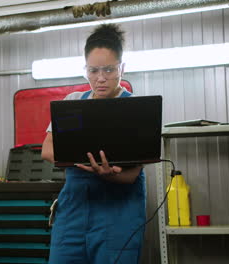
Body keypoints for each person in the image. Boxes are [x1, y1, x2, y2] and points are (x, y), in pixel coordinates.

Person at [41, 24, 146, 264]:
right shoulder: (73, 103)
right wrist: (87, 159)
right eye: (93, 70)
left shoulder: (136, 110)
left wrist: (106, 174)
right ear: (85, 69)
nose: (100, 78)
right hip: (73, 212)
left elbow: (131, 176)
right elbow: (48, 150)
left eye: (109, 70)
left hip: (119, 215)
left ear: (122, 68)